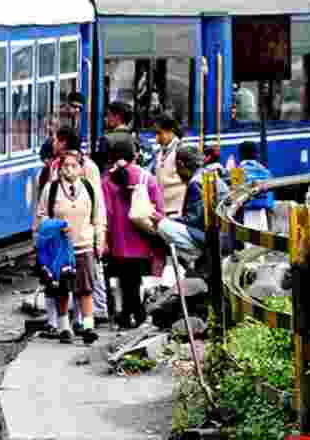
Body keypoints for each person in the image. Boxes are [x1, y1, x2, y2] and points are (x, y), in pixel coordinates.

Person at [34, 149, 107, 344]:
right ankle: (64, 326)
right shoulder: (51, 189)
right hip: (60, 248)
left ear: (81, 169)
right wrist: (56, 228)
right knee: (62, 289)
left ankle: (88, 326)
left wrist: (99, 241)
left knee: (86, 288)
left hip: (84, 245)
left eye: (74, 166)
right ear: (59, 169)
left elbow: (99, 217)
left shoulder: (90, 189)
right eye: (65, 166)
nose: (69, 170)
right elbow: (41, 218)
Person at [101, 134, 166, 329]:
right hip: (143, 241)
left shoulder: (107, 181)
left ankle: (128, 314)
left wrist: (104, 240)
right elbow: (159, 210)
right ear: (134, 155)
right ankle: (135, 313)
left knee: (124, 280)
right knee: (135, 280)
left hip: (118, 242)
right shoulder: (148, 178)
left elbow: (107, 214)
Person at [152, 145, 229, 279]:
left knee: (161, 226)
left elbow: (193, 221)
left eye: (176, 167)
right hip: (223, 236)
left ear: (181, 164)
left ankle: (190, 268)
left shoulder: (196, 183)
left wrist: (166, 220)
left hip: (212, 240)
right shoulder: (207, 176)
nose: (176, 171)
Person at [151, 114, 185, 217]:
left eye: (159, 133)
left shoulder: (182, 150)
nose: (157, 139)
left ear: (171, 131)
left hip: (176, 210)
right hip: (164, 209)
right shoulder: (160, 152)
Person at [237, 141, 274, 232]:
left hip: (247, 210)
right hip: (262, 209)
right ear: (256, 154)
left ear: (240, 154)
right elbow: (271, 186)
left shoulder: (239, 170)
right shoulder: (264, 170)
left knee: (251, 240)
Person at [93, 101, 140, 173]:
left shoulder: (106, 139)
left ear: (117, 117)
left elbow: (100, 166)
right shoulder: (134, 140)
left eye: (108, 115)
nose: (106, 119)